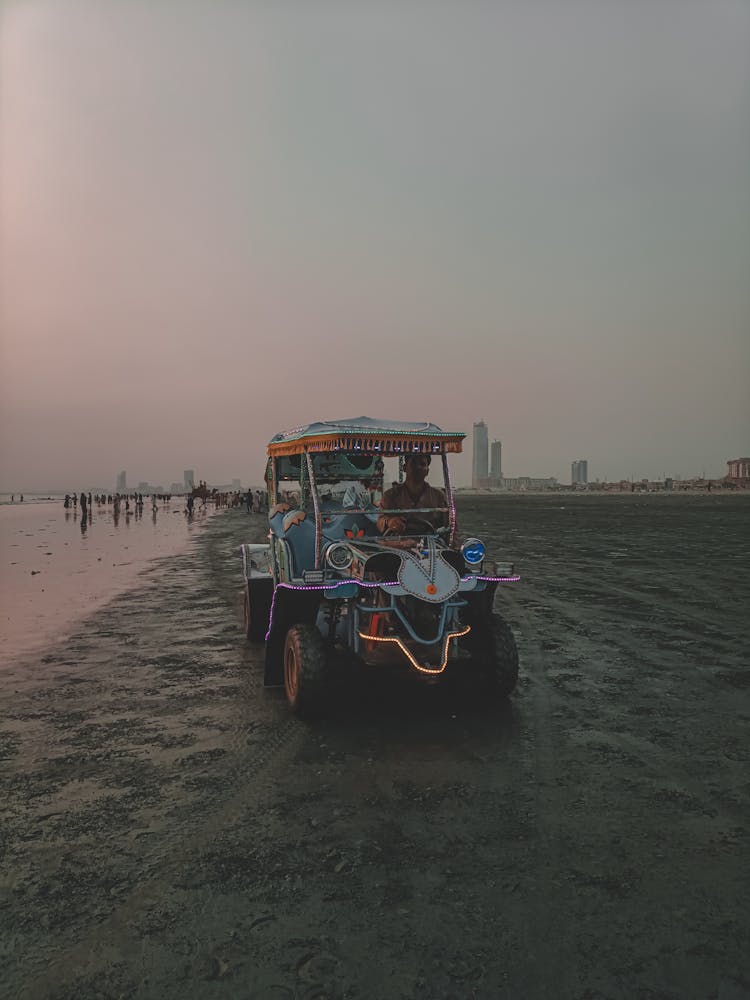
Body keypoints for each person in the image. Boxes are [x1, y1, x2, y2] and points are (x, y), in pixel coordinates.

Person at [377, 454, 455, 542]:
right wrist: (390, 522)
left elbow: (451, 526)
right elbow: (381, 521)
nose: (418, 467)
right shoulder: (390, 495)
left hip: (430, 546)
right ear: (405, 467)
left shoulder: (439, 496)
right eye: (413, 463)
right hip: (397, 546)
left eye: (422, 464)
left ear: (427, 471)